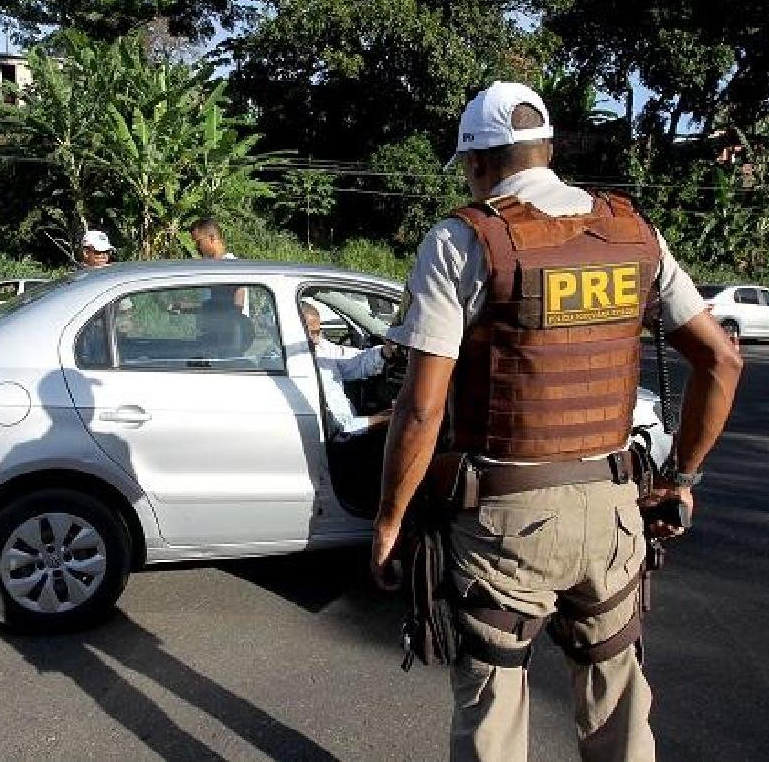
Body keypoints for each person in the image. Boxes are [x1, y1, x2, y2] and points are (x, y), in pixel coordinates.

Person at [372, 81, 743, 761]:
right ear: (545, 149)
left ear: (479, 162)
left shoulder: (464, 239)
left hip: (505, 519)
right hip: (613, 509)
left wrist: (390, 521)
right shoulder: (634, 233)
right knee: (618, 702)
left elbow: (422, 405)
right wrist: (680, 478)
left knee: (495, 704)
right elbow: (720, 360)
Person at [301, 302, 394, 438]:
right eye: (310, 333)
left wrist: (384, 352)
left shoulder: (322, 349)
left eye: (318, 332)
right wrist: (384, 418)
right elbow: (339, 428)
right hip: (338, 441)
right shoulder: (293, 365)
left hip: (349, 431)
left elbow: (355, 362)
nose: (316, 340)